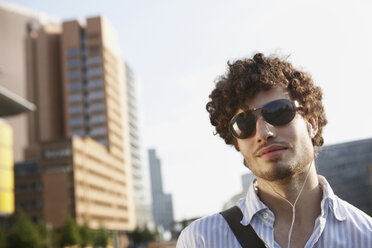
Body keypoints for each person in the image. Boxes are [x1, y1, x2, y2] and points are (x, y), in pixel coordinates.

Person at [176, 53, 372, 248]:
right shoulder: (200, 241)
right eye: (244, 124)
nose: (263, 132)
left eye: (279, 111)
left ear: (312, 123)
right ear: (237, 142)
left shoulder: (366, 236)